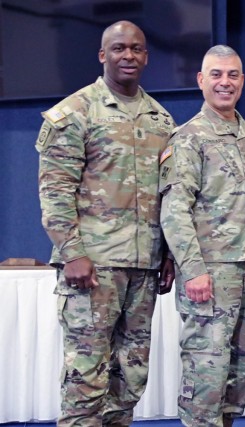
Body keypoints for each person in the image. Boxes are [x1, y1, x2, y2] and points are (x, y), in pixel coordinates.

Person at [36, 21, 175, 426]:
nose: (127, 56)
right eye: (118, 48)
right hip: (92, 269)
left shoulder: (161, 120)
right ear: (103, 55)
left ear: (146, 56)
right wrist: (73, 253)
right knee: (86, 377)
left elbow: (168, 196)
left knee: (130, 377)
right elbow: (55, 191)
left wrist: (166, 255)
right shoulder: (75, 112)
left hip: (143, 269)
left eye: (136, 49)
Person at [159, 45, 245, 427]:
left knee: (242, 369)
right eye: (216, 74)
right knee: (206, 370)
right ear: (201, 80)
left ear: (242, 81)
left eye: (232, 75)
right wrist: (193, 268)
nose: (224, 82)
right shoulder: (188, 138)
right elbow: (174, 209)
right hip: (211, 272)